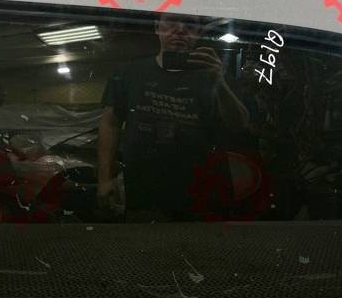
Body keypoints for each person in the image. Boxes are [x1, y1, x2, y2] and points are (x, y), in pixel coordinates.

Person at [97, 13, 250, 222]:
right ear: (157, 27)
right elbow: (110, 123)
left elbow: (239, 124)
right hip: (144, 191)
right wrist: (104, 179)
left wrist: (219, 82)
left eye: (190, 24)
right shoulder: (128, 73)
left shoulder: (213, 74)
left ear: (198, 33)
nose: (180, 29)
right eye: (171, 22)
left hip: (203, 195)